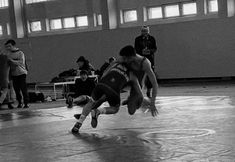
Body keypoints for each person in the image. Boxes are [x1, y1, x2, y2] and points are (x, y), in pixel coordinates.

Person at [118, 45, 158, 116]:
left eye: (126, 59)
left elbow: (154, 84)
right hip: (126, 80)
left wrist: (152, 102)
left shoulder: (145, 63)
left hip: (137, 84)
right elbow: (114, 64)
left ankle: (132, 99)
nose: (125, 60)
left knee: (131, 111)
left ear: (132, 57)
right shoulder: (125, 58)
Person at [4, 39, 29, 108]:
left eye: (9, 46)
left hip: (22, 73)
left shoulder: (20, 53)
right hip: (14, 74)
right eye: (7, 47)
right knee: (16, 90)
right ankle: (20, 103)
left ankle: (26, 103)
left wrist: (11, 60)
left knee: (23, 88)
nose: (8, 48)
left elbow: (20, 63)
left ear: (13, 45)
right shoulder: (8, 54)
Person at [134, 26, 157, 97]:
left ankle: (149, 91)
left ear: (148, 31)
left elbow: (155, 48)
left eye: (146, 31)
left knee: (150, 76)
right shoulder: (137, 39)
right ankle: (139, 91)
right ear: (141, 31)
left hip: (150, 60)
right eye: (143, 31)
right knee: (140, 76)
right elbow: (136, 49)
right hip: (141, 60)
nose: (145, 32)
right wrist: (142, 51)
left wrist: (149, 51)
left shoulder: (152, 38)